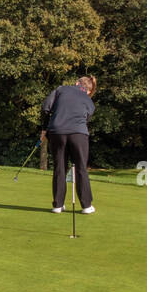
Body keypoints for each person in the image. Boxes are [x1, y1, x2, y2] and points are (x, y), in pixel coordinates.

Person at [39, 76, 96, 214]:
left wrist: (44, 129)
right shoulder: (89, 100)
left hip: (57, 132)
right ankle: (86, 206)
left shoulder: (60, 89)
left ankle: (58, 205)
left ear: (77, 83)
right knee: (81, 168)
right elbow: (86, 117)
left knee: (60, 167)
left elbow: (46, 108)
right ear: (89, 90)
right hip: (79, 134)